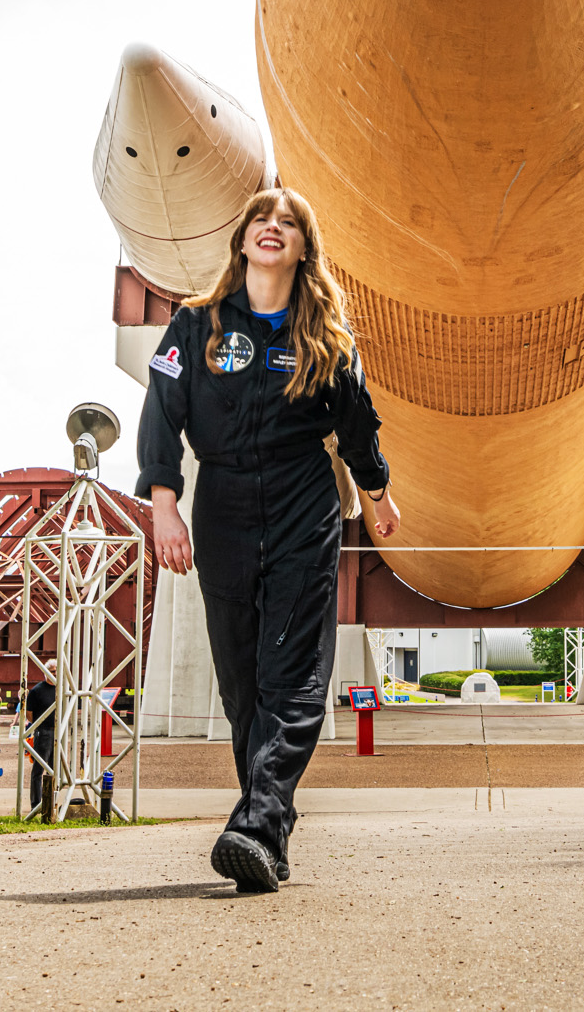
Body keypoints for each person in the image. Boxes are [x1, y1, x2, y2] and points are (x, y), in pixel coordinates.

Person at [135, 187, 399, 894]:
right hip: (220, 498)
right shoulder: (194, 326)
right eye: (262, 220)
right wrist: (166, 503)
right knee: (242, 680)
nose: (272, 228)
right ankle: (268, 826)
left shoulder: (329, 339)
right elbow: (161, 413)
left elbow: (358, 424)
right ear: (244, 240)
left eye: (288, 223)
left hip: (301, 499)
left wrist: (377, 494)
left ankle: (253, 823)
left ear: (304, 248)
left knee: (293, 670)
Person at [25, 661, 57, 811]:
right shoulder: (37, 691)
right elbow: (29, 714)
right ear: (45, 672)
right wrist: (40, 725)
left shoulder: (61, 689)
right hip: (43, 732)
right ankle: (36, 804)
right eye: (51, 671)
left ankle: (51, 802)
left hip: (58, 732)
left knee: (54, 768)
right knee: (39, 769)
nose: (54, 673)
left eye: (56, 671)